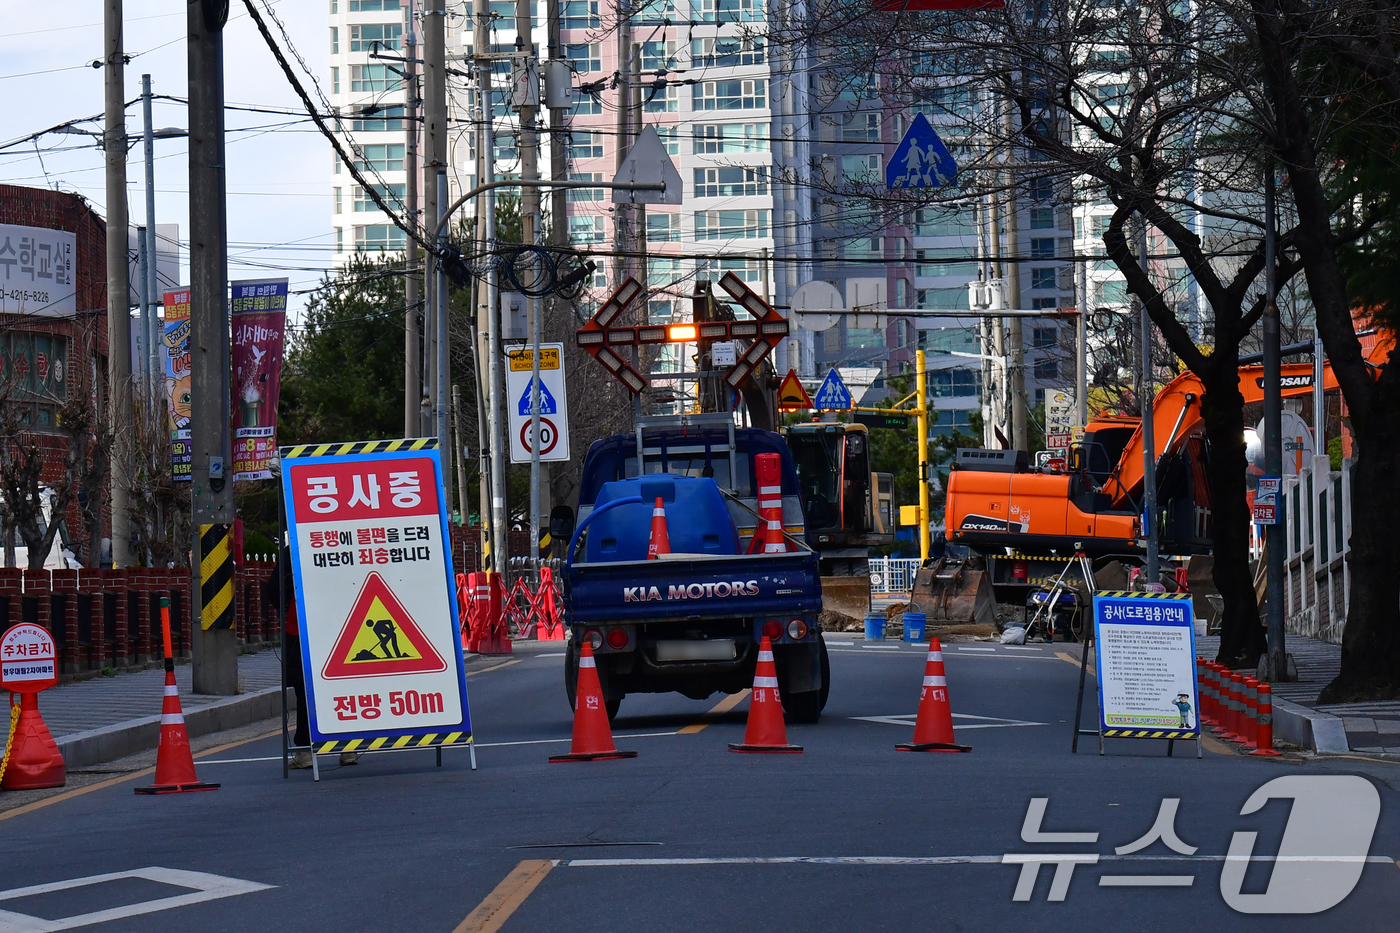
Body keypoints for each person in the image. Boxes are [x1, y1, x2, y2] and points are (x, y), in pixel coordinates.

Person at [267, 541, 359, 768]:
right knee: (340, 685)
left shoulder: (296, 548)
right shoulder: (345, 543)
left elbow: (275, 589)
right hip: (342, 625)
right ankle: (348, 748)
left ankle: (306, 751)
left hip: (302, 626)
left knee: (306, 690)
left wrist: (285, 607)